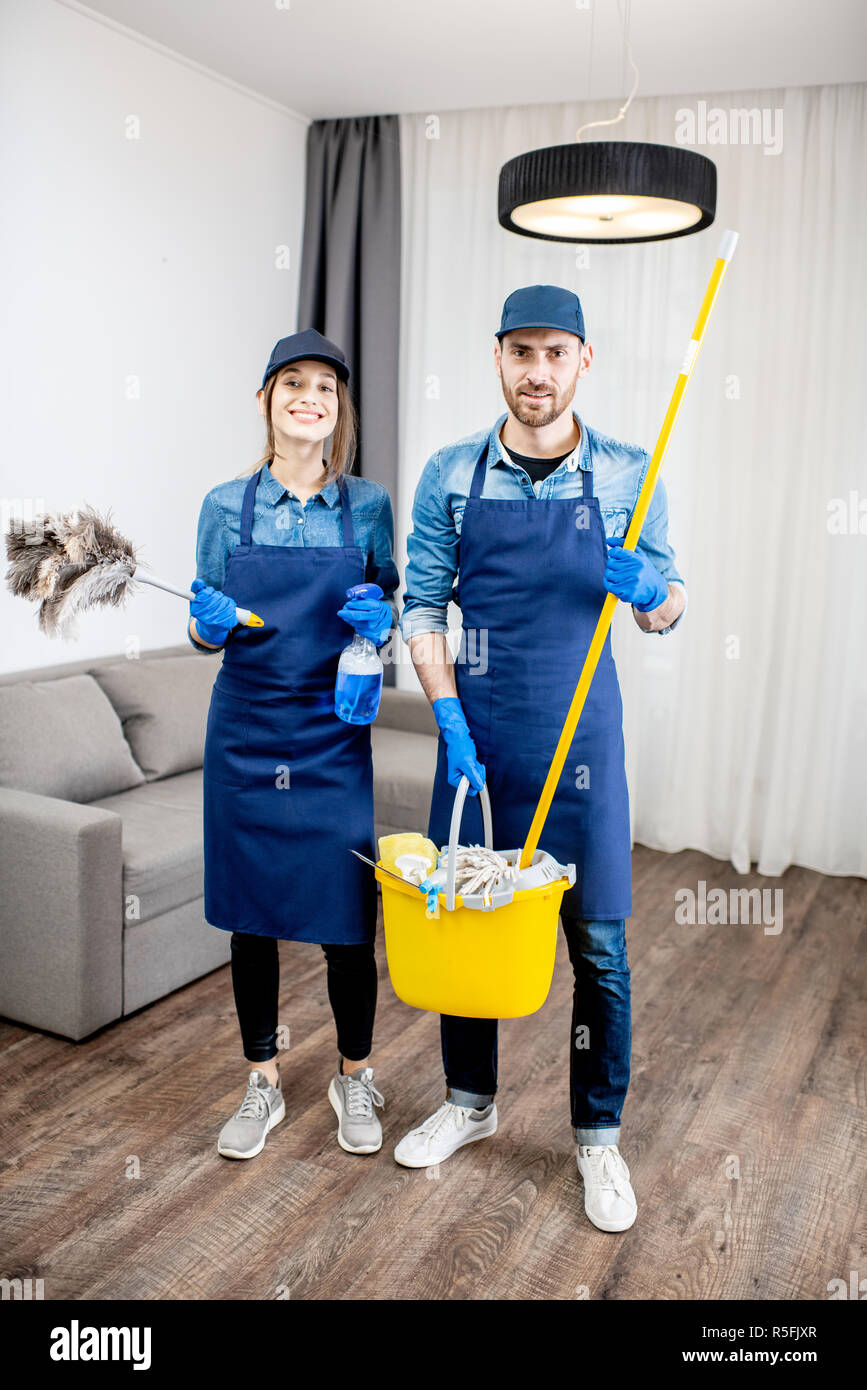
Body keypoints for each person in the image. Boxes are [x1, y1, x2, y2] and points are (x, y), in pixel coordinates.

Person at [394, 286, 686, 1231]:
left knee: (597, 946)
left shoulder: (631, 473)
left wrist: (654, 590)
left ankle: (597, 1139)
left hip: (583, 743)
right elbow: (422, 609)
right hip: (478, 741)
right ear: (497, 358)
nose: (537, 370)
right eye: (521, 351)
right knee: (465, 925)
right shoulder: (449, 474)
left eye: (556, 353)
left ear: (582, 362)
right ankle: (469, 1105)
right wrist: (446, 715)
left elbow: (665, 605)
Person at [187, 329, 398, 1160]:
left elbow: (386, 601)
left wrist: (379, 622)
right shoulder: (223, 506)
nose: (310, 398)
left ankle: (356, 1072)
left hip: (331, 733)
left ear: (339, 406)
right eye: (292, 385)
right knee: (252, 918)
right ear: (268, 400)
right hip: (245, 731)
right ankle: (264, 1080)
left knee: (348, 915)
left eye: (325, 387)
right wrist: (204, 629)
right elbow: (207, 627)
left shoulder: (368, 505)